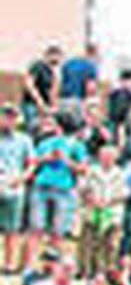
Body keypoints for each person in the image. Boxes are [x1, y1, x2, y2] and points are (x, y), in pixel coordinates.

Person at [26, 114, 90, 271]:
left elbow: (83, 169)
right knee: (36, 227)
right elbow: (31, 162)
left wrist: (66, 160)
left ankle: (53, 264)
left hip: (64, 189)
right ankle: (30, 265)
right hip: (41, 187)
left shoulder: (77, 146)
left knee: (58, 229)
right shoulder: (44, 143)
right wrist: (46, 158)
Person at [80, 144, 129, 280]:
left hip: (113, 213)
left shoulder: (121, 173)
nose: (107, 159)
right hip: (92, 212)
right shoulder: (92, 171)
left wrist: (109, 202)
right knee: (89, 243)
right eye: (104, 156)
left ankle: (108, 272)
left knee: (111, 245)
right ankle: (87, 271)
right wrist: (93, 200)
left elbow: (125, 193)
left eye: (110, 157)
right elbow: (82, 188)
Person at [0, 107, 34, 273]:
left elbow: (31, 163)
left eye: (12, 117)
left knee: (11, 229)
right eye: (5, 117)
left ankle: (8, 263)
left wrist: (22, 178)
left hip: (14, 187)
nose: (8, 121)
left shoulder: (24, 140)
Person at [23, 46, 62, 134]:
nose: (55, 63)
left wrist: (54, 106)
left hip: (44, 106)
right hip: (32, 104)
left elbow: (53, 94)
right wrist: (39, 102)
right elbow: (29, 84)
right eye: (53, 61)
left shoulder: (52, 73)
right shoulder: (38, 66)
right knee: (32, 128)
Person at [58, 44, 99, 121]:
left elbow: (59, 83)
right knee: (77, 127)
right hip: (77, 101)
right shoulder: (90, 66)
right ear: (93, 54)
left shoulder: (68, 63)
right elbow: (90, 88)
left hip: (63, 100)